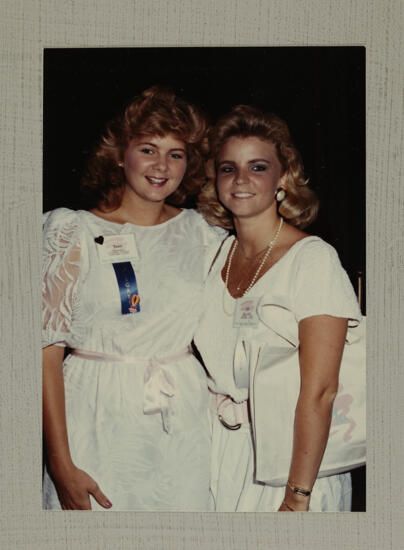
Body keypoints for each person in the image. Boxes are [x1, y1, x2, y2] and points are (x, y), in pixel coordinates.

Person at [42, 86, 226, 511]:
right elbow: (44, 353)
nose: (162, 166)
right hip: (96, 413)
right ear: (120, 155)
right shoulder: (73, 231)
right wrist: (60, 463)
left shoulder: (203, 233)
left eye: (176, 153)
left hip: (182, 418)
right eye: (148, 149)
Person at [195, 105, 362, 512]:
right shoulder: (214, 254)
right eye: (228, 168)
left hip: (291, 463)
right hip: (218, 455)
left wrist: (297, 495)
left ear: (282, 178)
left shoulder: (312, 259)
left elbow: (321, 391)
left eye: (257, 167)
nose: (241, 180)